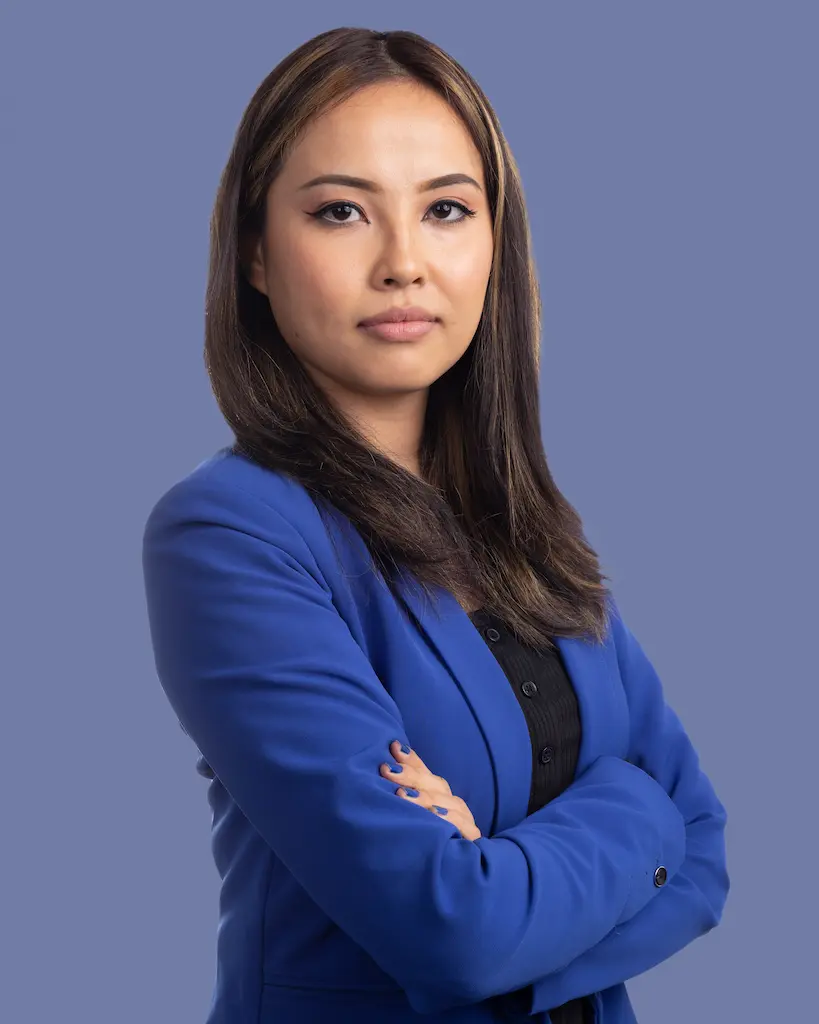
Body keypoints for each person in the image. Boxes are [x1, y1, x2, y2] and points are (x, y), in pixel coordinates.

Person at [141, 26, 729, 1024]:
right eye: (340, 212)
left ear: (496, 243)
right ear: (254, 254)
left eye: (446, 209)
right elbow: (452, 930)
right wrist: (638, 814)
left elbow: (705, 855)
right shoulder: (230, 536)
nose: (404, 263)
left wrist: (506, 882)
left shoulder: (527, 522)